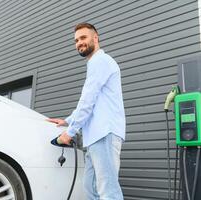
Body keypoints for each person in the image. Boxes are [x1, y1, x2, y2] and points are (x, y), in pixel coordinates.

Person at [47, 23, 125, 200]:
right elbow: (92, 102)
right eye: (76, 40)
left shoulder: (100, 61)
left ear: (95, 38)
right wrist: (67, 121)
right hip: (94, 138)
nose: (79, 43)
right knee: (91, 189)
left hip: (104, 134)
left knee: (108, 192)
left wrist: (70, 132)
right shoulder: (96, 64)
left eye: (83, 38)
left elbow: (87, 101)